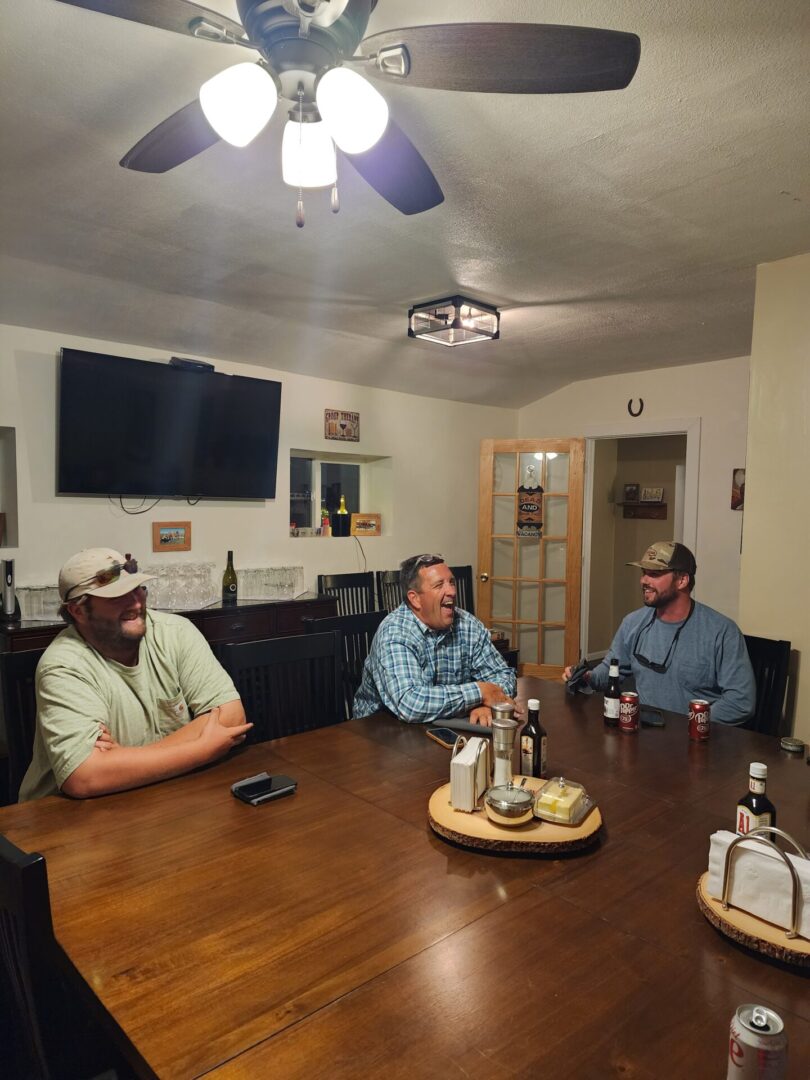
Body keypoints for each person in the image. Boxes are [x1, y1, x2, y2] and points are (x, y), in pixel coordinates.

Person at [18, 547, 252, 801]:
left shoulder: (175, 632)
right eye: (117, 595)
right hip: (60, 819)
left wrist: (123, 761)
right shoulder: (65, 665)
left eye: (139, 589)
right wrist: (201, 749)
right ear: (78, 610)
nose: (137, 602)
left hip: (155, 797)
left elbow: (231, 717)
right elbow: (85, 778)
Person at [563, 540, 755, 723]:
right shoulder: (633, 623)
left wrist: (691, 724)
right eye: (644, 573)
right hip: (643, 733)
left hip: (697, 741)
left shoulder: (721, 632)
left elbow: (740, 702)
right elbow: (611, 671)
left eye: (654, 574)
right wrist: (585, 676)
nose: (643, 580)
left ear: (682, 580)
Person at [353, 554, 517, 724]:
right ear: (415, 598)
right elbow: (411, 704)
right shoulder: (395, 632)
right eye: (439, 585)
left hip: (443, 725)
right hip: (378, 731)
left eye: (452, 582)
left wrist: (486, 705)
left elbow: (503, 675)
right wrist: (480, 693)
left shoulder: (467, 624)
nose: (452, 591)